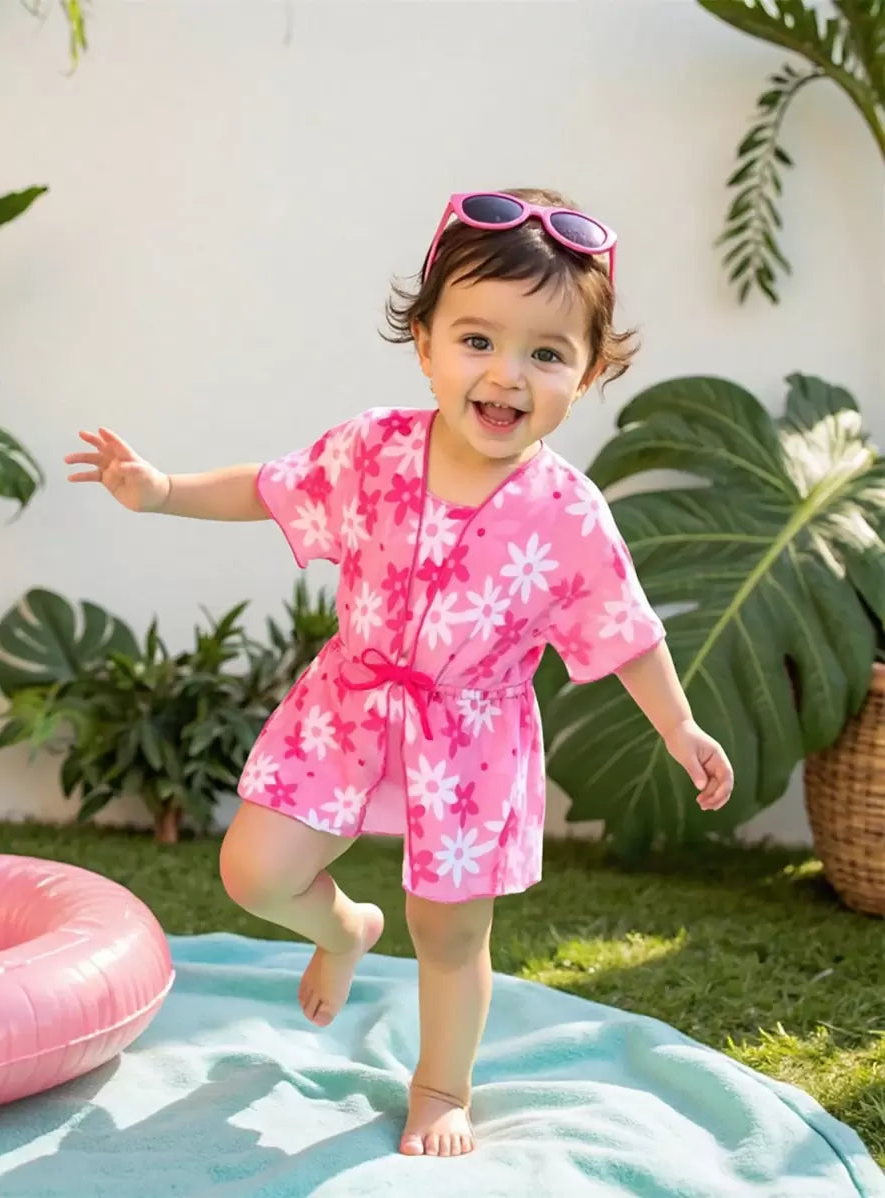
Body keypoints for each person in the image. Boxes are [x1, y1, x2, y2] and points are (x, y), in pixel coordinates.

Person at [65, 187, 734, 1159]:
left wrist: (679, 727)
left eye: (546, 354)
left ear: (587, 373)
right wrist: (163, 490)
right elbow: (272, 486)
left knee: (450, 932)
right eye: (477, 340)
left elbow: (625, 630)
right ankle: (344, 928)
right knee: (254, 870)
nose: (507, 374)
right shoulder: (375, 448)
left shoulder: (567, 513)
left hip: (472, 745)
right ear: (424, 343)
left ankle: (441, 1085)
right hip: (347, 706)